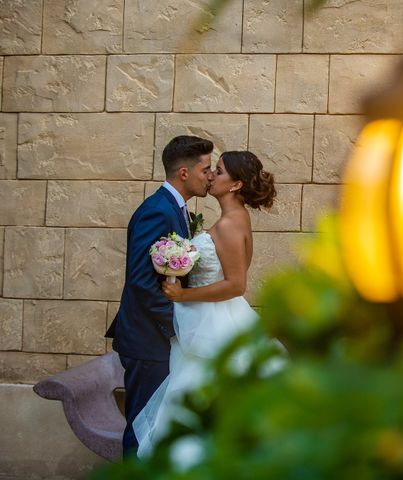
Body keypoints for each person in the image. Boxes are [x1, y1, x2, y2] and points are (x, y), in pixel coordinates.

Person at [132, 151, 278, 457]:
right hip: (208, 317)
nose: (211, 175)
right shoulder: (235, 218)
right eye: (212, 170)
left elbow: (236, 285)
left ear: (236, 184)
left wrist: (183, 295)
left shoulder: (228, 224)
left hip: (210, 322)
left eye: (220, 172)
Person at [107, 135, 214, 457]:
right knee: (142, 424)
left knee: (156, 424)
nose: (210, 176)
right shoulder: (157, 210)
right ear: (184, 173)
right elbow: (141, 280)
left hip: (157, 338)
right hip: (147, 339)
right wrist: (178, 327)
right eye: (206, 169)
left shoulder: (176, 209)